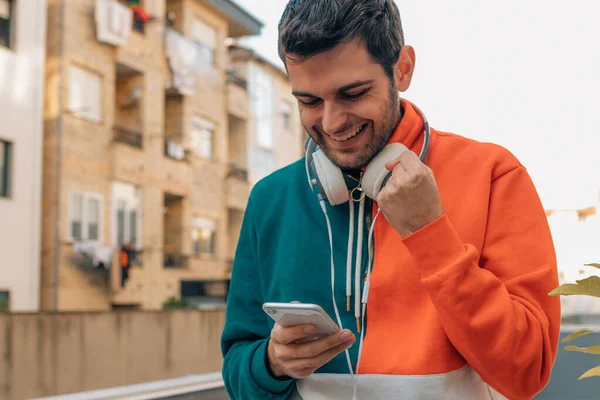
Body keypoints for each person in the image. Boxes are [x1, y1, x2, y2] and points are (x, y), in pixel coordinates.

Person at [221, 0, 561, 399]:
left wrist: (430, 234)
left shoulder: (493, 174)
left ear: (403, 68)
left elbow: (525, 371)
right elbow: (237, 371)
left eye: (353, 93)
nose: (331, 123)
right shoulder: (270, 198)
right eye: (309, 101)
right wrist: (271, 365)